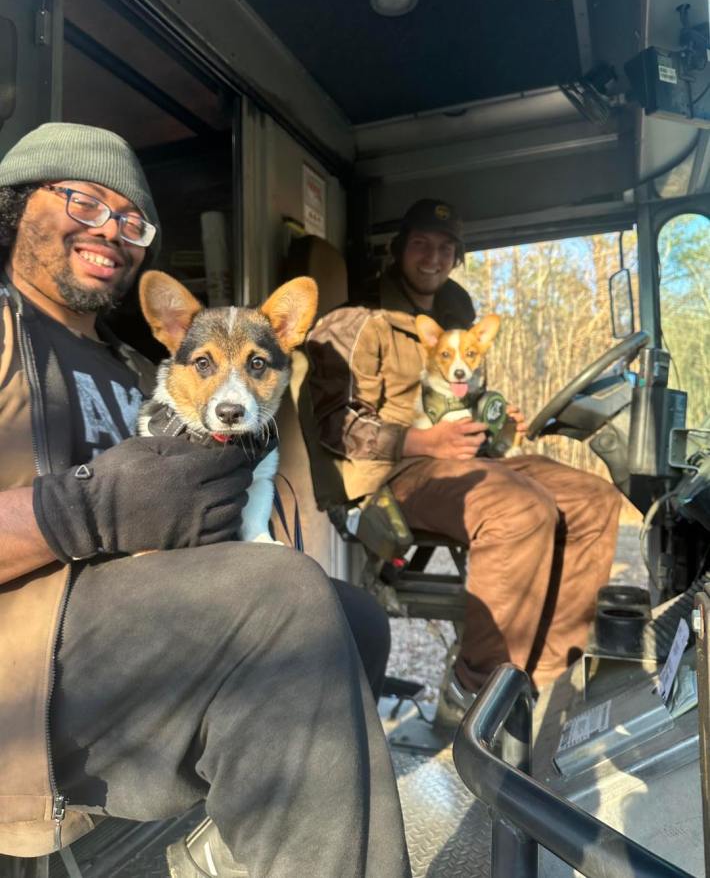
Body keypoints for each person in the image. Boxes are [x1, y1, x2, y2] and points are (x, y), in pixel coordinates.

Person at [0, 122, 410, 878]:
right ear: (17, 204)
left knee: (353, 617)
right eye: (84, 202)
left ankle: (232, 850)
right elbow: (107, 507)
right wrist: (79, 510)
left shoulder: (137, 368)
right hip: (21, 662)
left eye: (132, 221)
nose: (111, 232)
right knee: (284, 594)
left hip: (130, 633)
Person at [306, 198, 622, 706]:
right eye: (421, 245)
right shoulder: (358, 321)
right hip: (397, 469)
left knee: (595, 500)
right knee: (520, 509)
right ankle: (477, 690)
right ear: (398, 250)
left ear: (457, 257)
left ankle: (545, 680)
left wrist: (497, 420)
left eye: (446, 248)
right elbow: (331, 423)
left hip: (469, 456)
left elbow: (468, 396)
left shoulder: (459, 311)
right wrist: (421, 440)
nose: (433, 258)